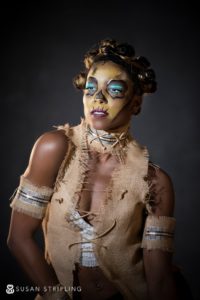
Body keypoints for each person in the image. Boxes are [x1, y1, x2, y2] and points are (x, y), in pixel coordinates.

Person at [7, 39, 180, 300]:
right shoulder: (53, 148)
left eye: (115, 90)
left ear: (135, 104)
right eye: (90, 88)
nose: (98, 98)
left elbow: (160, 281)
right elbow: (18, 238)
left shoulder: (155, 181)